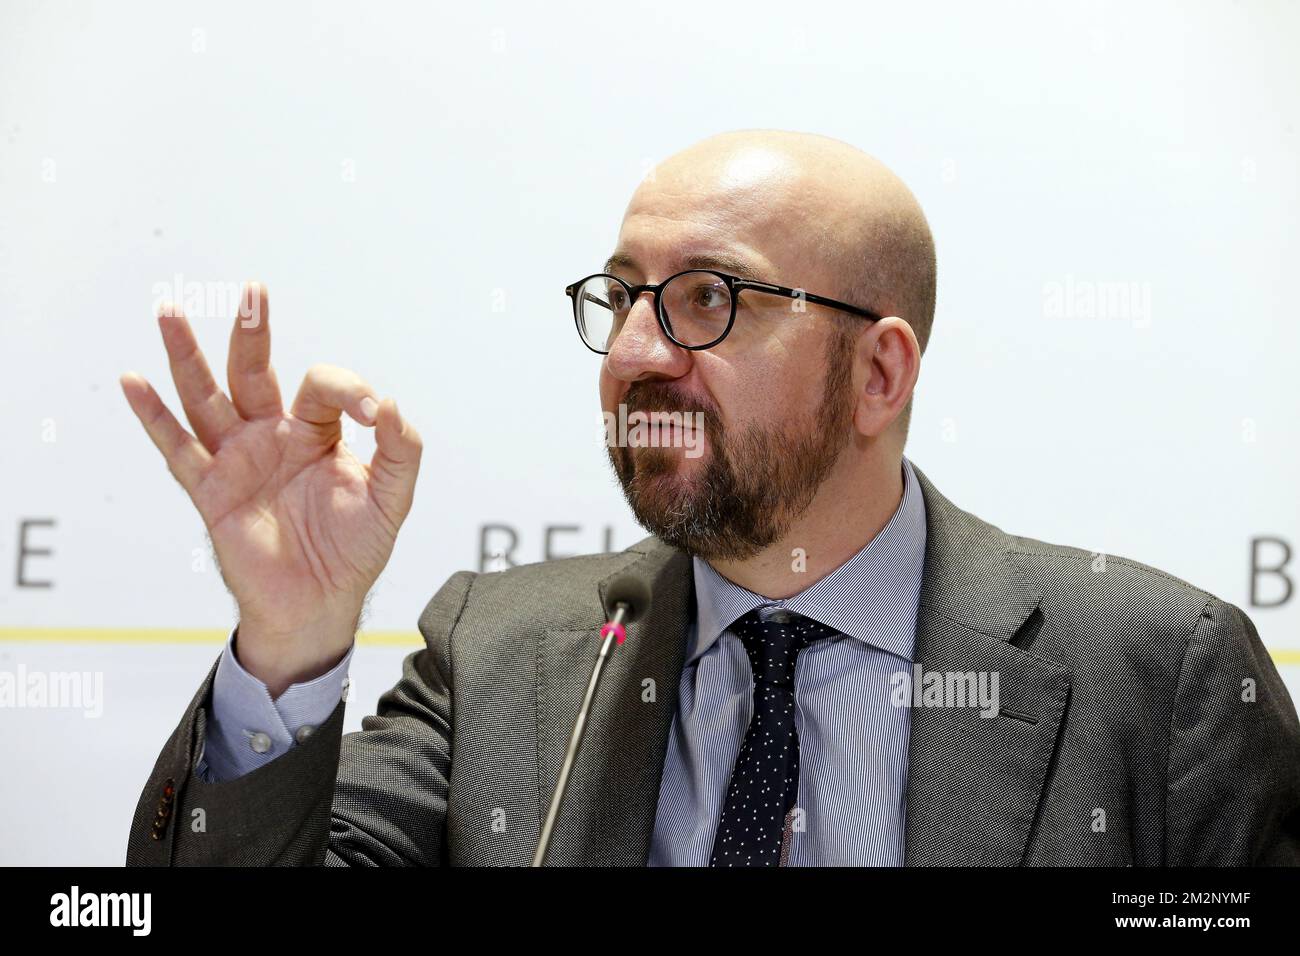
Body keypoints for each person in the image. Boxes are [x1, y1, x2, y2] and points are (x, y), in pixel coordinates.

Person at [120, 129, 1300, 866]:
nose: (634, 349)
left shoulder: (1159, 675)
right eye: (623, 296)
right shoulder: (501, 655)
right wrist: (288, 639)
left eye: (708, 298)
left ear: (878, 372)